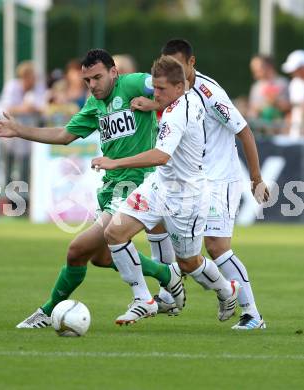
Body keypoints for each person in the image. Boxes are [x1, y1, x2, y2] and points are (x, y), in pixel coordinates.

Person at [0, 49, 184, 328]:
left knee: (76, 249)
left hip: (137, 183)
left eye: (98, 77)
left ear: (114, 72)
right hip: (112, 188)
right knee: (100, 257)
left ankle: (47, 311)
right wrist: (20, 130)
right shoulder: (95, 105)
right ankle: (166, 274)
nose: (92, 85)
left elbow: (178, 86)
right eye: (87, 80)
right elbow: (64, 135)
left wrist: (154, 106)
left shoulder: (132, 83)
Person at [131, 39, 269, 330]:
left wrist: (256, 179)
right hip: (190, 178)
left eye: (179, 66)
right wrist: (154, 104)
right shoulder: (174, 90)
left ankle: (252, 313)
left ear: (191, 64)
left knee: (216, 247)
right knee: (155, 223)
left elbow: (244, 131)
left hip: (220, 179)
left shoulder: (209, 93)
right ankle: (169, 293)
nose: (173, 72)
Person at [92, 55, 240, 325]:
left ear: (179, 88)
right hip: (159, 186)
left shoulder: (177, 114)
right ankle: (143, 300)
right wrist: (153, 104)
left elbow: (161, 156)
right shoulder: (180, 100)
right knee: (114, 232)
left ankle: (226, 290)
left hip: (186, 196)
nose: (155, 92)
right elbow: (163, 115)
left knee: (189, 264)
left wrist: (114, 163)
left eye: (160, 89)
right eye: (154, 87)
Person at [248, 55, 290, 133]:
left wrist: (275, 102)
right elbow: (252, 109)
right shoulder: (256, 87)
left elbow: (290, 107)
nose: (255, 74)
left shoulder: (283, 83)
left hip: (282, 129)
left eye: (258, 70)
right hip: (261, 131)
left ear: (269, 67)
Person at [281, 50, 304, 138]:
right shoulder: (294, 83)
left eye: (296, 69)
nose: (293, 72)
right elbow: (292, 109)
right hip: (295, 132)